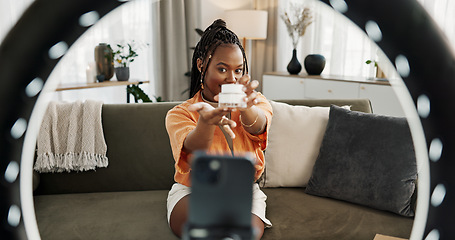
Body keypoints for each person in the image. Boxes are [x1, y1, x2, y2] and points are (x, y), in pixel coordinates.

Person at [165, 19, 273, 239]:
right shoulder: (180, 113)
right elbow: (193, 148)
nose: (231, 79)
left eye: (238, 70)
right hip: (192, 190)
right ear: (201, 65)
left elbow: (259, 125)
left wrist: (246, 108)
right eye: (222, 69)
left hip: (244, 190)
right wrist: (206, 123)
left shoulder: (255, 102)